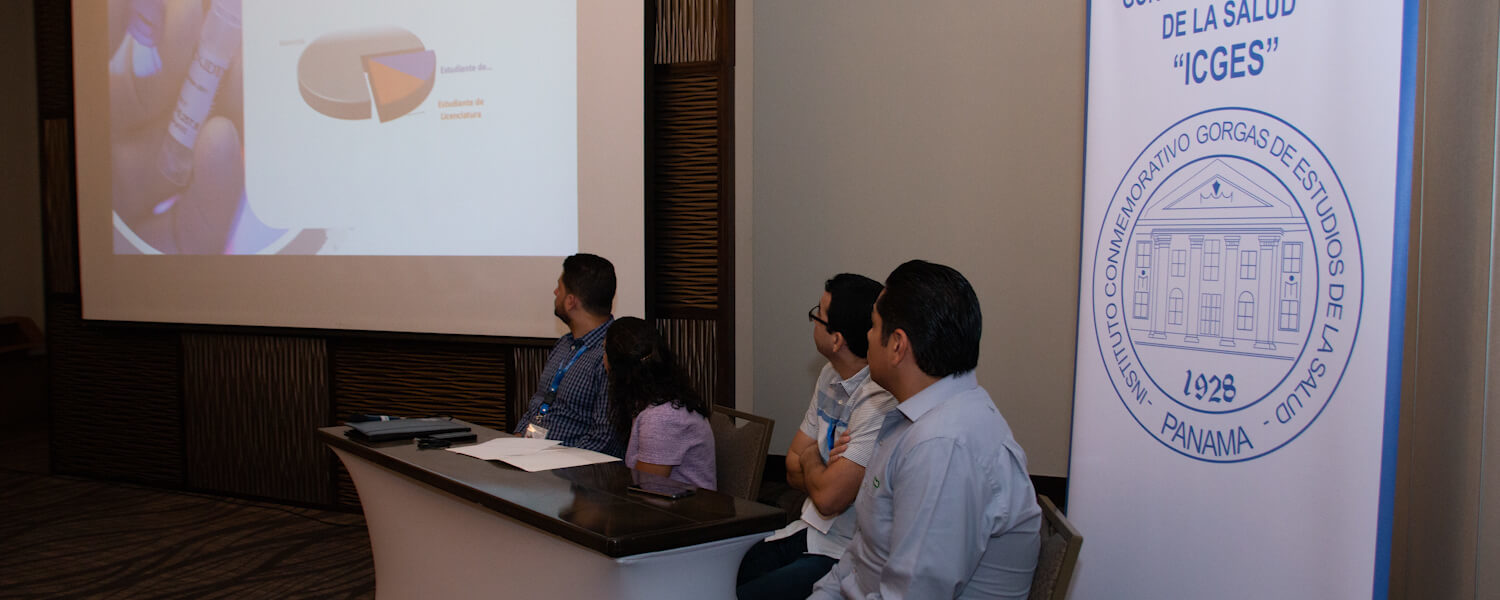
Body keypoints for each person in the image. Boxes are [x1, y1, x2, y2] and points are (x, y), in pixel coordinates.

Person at [809, 260, 1042, 600]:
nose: (868, 336)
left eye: (874, 326)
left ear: (897, 345)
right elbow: (861, 559)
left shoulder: (944, 446)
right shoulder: (919, 421)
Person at [736, 274, 896, 600]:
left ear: (836, 340)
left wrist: (811, 457)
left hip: (844, 551)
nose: (813, 320)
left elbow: (829, 498)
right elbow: (791, 467)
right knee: (725, 574)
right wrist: (820, 467)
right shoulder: (829, 375)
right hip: (809, 529)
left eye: (818, 315)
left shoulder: (878, 399)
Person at [513, 254, 626, 457]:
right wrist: (517, 442)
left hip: (570, 469)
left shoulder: (611, 355)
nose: (555, 292)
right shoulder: (564, 344)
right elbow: (539, 405)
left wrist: (554, 463)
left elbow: (604, 439)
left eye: (560, 288)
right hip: (532, 457)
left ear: (571, 302)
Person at [604, 317, 717, 490]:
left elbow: (647, 488)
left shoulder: (661, 417)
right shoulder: (653, 399)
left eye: (604, 351)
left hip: (682, 506)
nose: (602, 359)